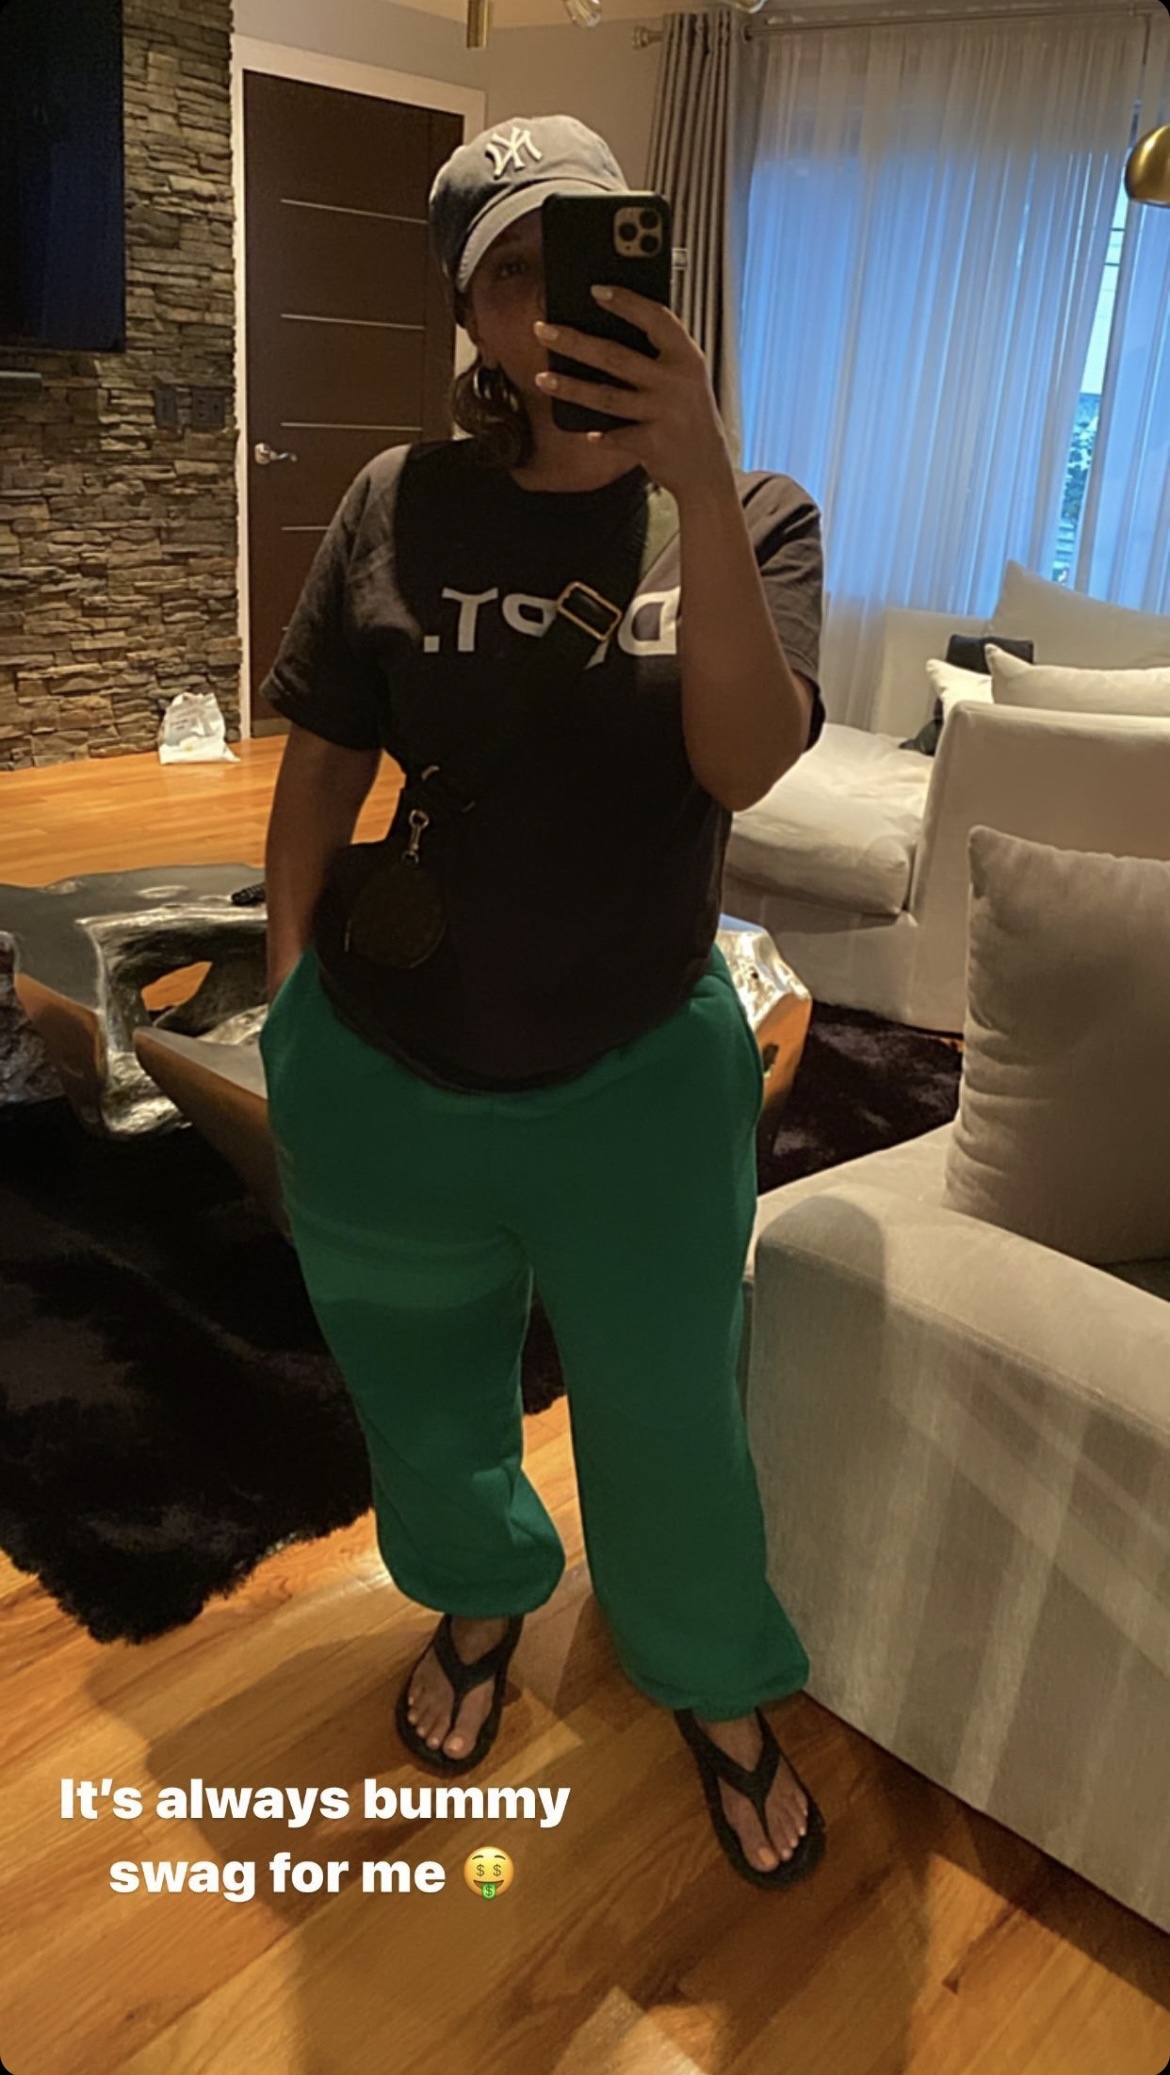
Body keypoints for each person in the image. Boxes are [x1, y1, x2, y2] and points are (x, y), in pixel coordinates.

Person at [258, 115, 828, 1890]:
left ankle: (711, 1676)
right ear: (470, 316)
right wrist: (285, 994)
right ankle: (481, 1599)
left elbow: (741, 765)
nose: (548, 298)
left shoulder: (752, 513)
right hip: (391, 1057)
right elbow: (324, 756)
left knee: (671, 1414)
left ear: (649, 269)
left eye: (583, 252)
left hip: (638, 1074)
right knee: (424, 1388)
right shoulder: (395, 501)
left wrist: (695, 478)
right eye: (509, 269)